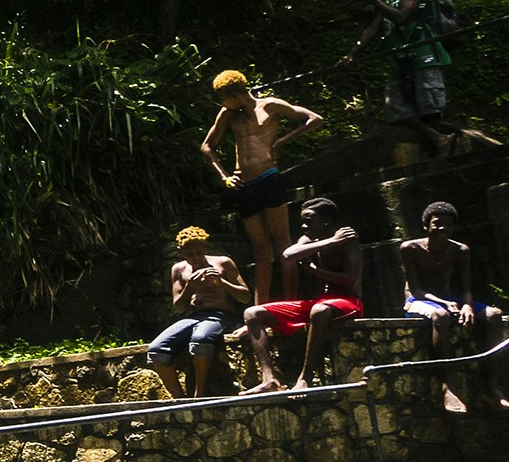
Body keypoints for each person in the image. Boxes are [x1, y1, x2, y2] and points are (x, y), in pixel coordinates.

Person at [201, 70, 325, 303]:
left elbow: (314, 119)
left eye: (222, 97)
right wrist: (224, 176)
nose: (221, 103)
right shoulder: (228, 114)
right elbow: (207, 147)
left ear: (234, 94)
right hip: (244, 184)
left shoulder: (270, 106)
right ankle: (261, 307)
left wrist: (281, 141)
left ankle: (291, 303)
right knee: (260, 250)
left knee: (282, 243)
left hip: (268, 177)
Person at [399, 200, 509, 415]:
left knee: (494, 315)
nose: (441, 228)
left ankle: (492, 388)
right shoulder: (410, 248)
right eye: (437, 223)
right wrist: (446, 303)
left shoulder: (460, 250)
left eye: (448, 225)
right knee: (441, 316)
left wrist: (468, 307)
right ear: (426, 225)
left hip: (450, 299)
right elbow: (416, 290)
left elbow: (466, 288)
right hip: (419, 301)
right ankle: (448, 387)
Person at [242, 198, 364, 393]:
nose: (304, 225)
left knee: (319, 311)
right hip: (319, 303)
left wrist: (314, 269)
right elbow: (289, 254)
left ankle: (304, 379)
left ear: (326, 220)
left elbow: (350, 281)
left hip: (347, 302)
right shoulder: (312, 240)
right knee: (252, 313)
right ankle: (270, 379)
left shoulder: (348, 240)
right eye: (302, 221)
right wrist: (330, 242)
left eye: (309, 220)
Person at [345, 0, 456, 158]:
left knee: (429, 106)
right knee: (394, 106)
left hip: (424, 54)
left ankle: (436, 150)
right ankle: (438, 139)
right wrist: (353, 52)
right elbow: (373, 28)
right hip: (400, 59)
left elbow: (402, 18)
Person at [148, 225, 252, 399]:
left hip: (221, 315)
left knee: (201, 339)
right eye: (189, 254)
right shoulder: (179, 270)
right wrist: (190, 287)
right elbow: (179, 307)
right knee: (156, 350)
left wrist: (221, 283)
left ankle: (200, 394)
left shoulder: (223, 263)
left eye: (198, 252)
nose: (195, 258)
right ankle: (180, 400)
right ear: (181, 253)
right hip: (193, 317)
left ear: (205, 247)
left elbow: (245, 297)